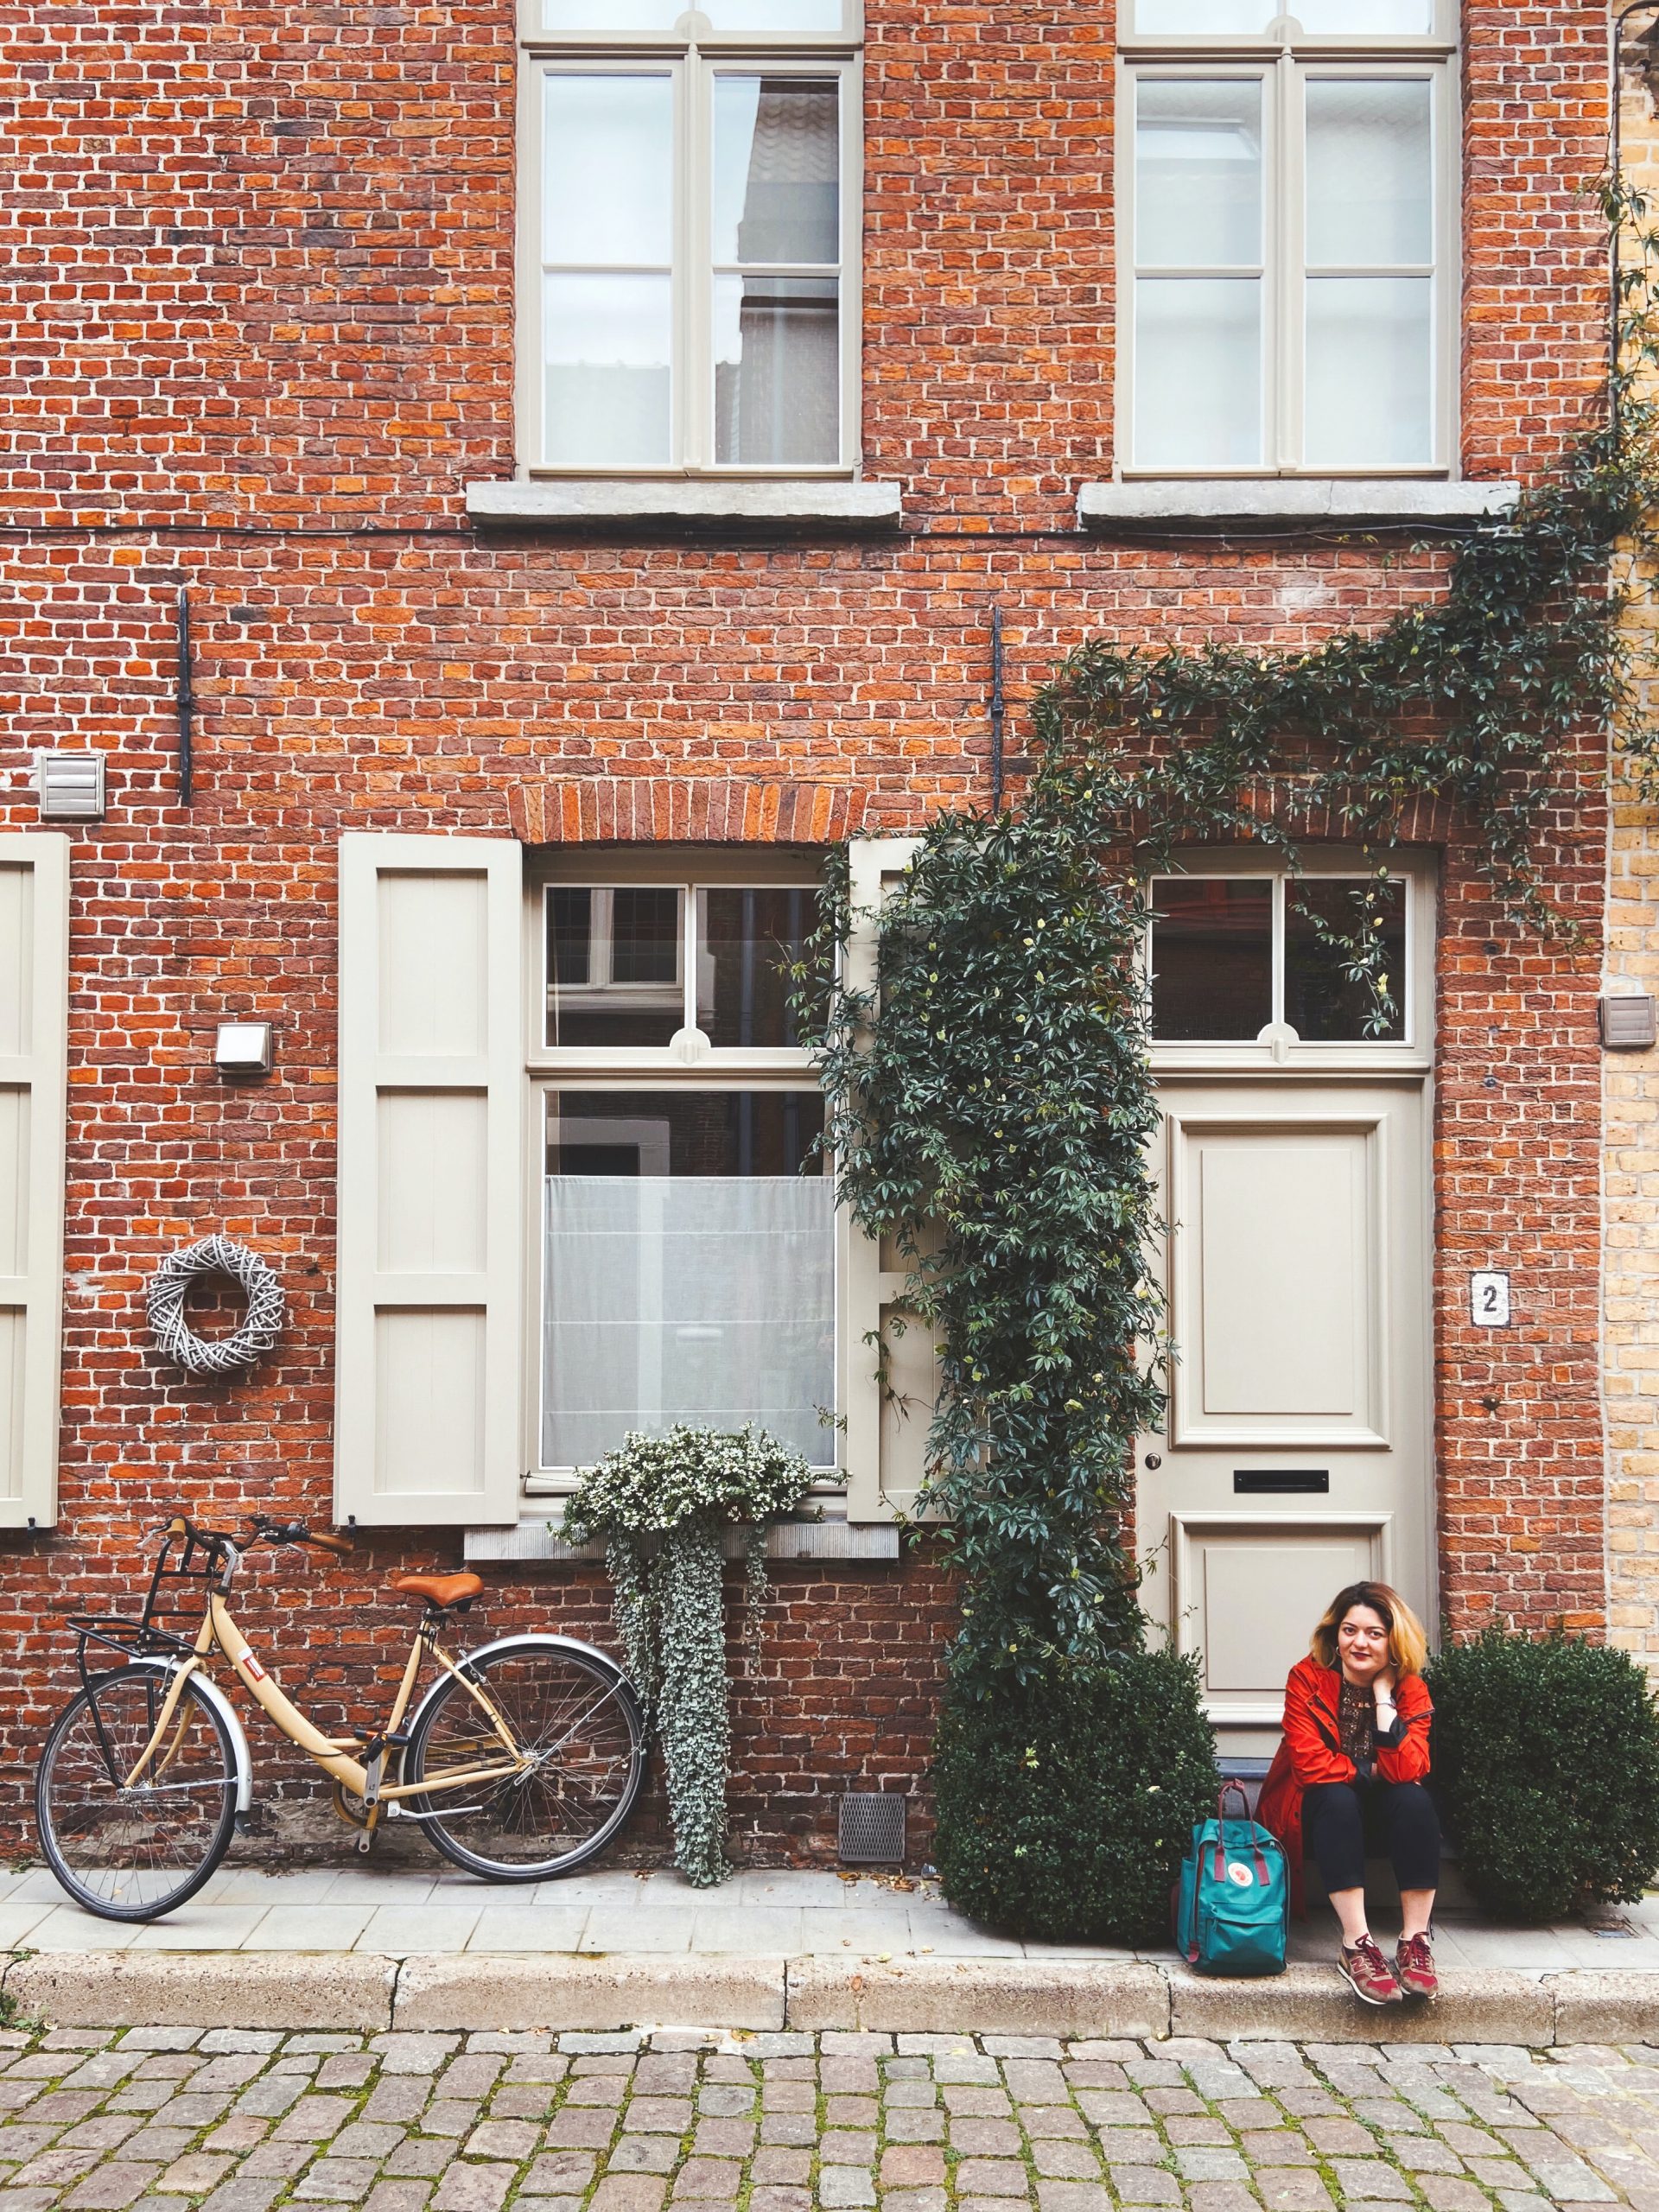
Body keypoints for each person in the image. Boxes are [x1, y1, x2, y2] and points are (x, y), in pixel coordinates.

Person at [1257, 1580, 1439, 2006]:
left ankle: (1415, 1941)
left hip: (1380, 1815)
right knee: (1338, 1796)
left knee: (1415, 1800)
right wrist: (1372, 1771)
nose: (1359, 1642)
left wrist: (1382, 1698)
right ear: (1335, 1634)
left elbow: (1410, 1768)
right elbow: (1310, 1766)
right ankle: (1355, 1944)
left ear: (1394, 1643)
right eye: (1350, 1630)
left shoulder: (1409, 1688)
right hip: (1318, 1809)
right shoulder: (1307, 1678)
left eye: (1375, 1634)